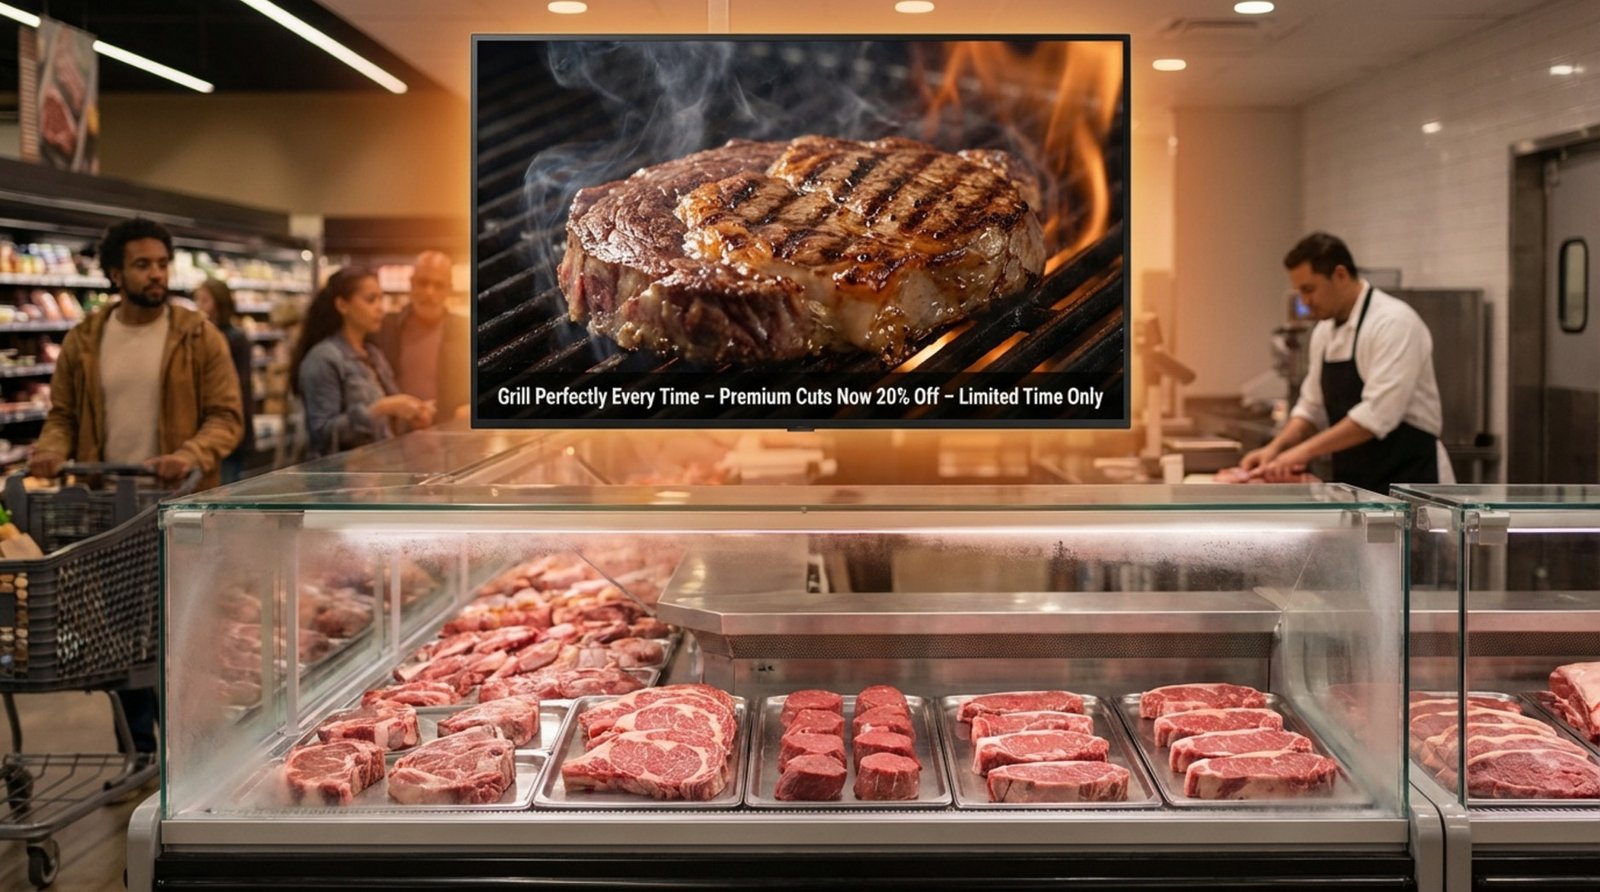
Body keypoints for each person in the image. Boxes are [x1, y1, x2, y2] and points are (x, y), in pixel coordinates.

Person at [29, 217, 244, 762]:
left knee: (185, 634)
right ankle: (139, 753)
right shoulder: (85, 339)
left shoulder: (198, 335)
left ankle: (189, 752)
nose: (156, 275)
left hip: (183, 507)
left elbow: (226, 417)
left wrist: (188, 456)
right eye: (143, 265)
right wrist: (52, 450)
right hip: (109, 510)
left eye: (162, 264)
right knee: (121, 639)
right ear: (114, 273)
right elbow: (63, 415)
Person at [1241, 232, 1455, 491]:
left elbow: (1377, 415)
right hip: (1358, 486)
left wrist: (1302, 452)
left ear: (1340, 275)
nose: (1305, 302)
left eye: (1309, 289)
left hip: (1411, 483)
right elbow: (1312, 407)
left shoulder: (1393, 322)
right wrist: (1275, 449)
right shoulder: (1324, 331)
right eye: (1300, 292)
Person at [290, 266, 433, 459]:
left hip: (377, 476)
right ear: (342, 305)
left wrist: (412, 416)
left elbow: (385, 426)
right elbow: (322, 435)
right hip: (339, 482)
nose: (380, 308)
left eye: (381, 299)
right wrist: (381, 409)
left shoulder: (373, 354)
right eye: (370, 299)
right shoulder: (323, 359)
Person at [374, 250, 469, 423]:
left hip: (449, 437)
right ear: (411, 283)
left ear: (449, 289)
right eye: (422, 283)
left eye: (438, 285)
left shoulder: (467, 332)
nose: (429, 292)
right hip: (392, 438)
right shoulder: (384, 329)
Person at [193, 278, 255, 482]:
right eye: (198, 301)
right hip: (204, 434)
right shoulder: (198, 337)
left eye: (205, 300)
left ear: (220, 303)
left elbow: (239, 390)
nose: (200, 307)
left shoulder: (234, 339)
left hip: (230, 434)